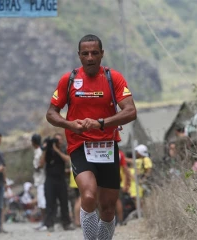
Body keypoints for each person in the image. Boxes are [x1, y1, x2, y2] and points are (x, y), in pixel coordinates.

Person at [46, 34, 137, 240]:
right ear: (79, 56)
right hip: (80, 146)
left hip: (107, 146)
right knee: (88, 195)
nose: (90, 57)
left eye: (94, 53)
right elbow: (51, 113)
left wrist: (102, 123)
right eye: (85, 53)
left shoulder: (113, 77)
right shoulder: (68, 80)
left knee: (107, 208)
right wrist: (69, 124)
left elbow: (130, 111)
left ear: (102, 54)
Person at [39, 133, 74, 232]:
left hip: (61, 179)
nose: (57, 142)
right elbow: (41, 164)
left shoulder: (63, 149)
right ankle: (49, 224)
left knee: (64, 202)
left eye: (59, 140)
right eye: (55, 140)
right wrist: (46, 150)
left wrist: (57, 150)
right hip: (50, 179)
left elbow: (67, 160)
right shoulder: (48, 151)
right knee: (50, 202)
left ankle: (66, 224)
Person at [31, 134, 47, 230]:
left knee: (42, 203)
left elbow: (41, 164)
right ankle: (43, 222)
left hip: (42, 180)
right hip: (39, 180)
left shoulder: (40, 151)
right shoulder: (37, 151)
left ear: (33, 142)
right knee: (41, 202)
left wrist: (37, 167)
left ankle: (45, 223)